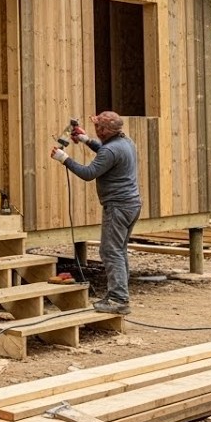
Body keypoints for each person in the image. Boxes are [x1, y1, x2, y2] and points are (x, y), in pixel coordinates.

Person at [50, 111, 142, 315]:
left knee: (110, 251)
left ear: (104, 130)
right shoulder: (125, 142)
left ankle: (118, 299)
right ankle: (119, 294)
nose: (95, 129)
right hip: (131, 204)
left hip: (118, 206)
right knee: (119, 249)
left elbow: (89, 173)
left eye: (97, 127)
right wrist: (85, 140)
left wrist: (64, 158)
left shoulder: (110, 151)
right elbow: (106, 153)